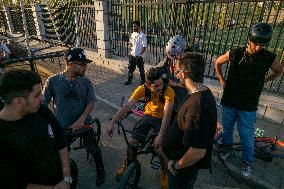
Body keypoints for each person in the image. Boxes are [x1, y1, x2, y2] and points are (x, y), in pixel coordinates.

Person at [214, 22, 283, 178]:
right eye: (256, 43)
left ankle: (247, 161)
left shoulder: (269, 57)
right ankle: (227, 149)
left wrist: (264, 81)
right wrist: (221, 79)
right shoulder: (236, 53)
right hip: (230, 100)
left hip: (248, 104)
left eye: (263, 44)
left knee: (246, 135)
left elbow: (279, 70)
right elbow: (217, 62)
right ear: (249, 39)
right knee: (227, 129)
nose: (258, 47)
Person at [0, 69, 77, 189]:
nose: (42, 98)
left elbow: (60, 140)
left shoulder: (40, 110)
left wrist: (66, 177)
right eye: (37, 95)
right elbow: (12, 182)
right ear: (18, 101)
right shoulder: (3, 136)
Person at [43, 47, 105, 186]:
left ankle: (101, 170)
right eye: (82, 64)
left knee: (94, 149)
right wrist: (48, 123)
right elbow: (42, 103)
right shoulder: (52, 81)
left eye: (86, 64)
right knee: (61, 155)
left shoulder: (86, 82)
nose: (86, 67)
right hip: (63, 126)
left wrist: (82, 118)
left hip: (84, 124)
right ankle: (63, 177)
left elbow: (91, 101)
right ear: (70, 63)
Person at [107, 67, 174, 189]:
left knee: (159, 149)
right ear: (148, 85)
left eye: (161, 83)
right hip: (148, 116)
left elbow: (167, 115)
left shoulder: (168, 91)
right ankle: (128, 162)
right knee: (131, 143)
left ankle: (164, 171)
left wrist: (160, 136)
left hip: (163, 119)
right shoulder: (142, 89)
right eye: (156, 86)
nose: (160, 87)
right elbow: (127, 106)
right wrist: (113, 122)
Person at [162, 52, 217, 189]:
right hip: (182, 161)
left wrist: (176, 165)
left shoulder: (197, 107)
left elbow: (198, 151)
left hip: (182, 168)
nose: (176, 74)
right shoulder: (200, 91)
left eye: (177, 70)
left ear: (185, 73)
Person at [156, 35, 189, 119]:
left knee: (177, 114)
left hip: (181, 95)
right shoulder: (170, 58)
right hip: (170, 91)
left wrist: (175, 83)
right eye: (171, 54)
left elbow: (188, 84)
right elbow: (157, 70)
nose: (173, 58)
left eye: (175, 55)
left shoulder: (189, 63)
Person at [124, 20, 147, 85]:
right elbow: (131, 44)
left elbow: (144, 47)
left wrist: (140, 55)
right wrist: (129, 52)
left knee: (141, 70)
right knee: (130, 69)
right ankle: (129, 80)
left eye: (135, 26)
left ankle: (142, 82)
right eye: (133, 26)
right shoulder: (133, 34)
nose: (134, 27)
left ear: (139, 26)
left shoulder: (142, 35)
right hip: (132, 55)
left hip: (139, 56)